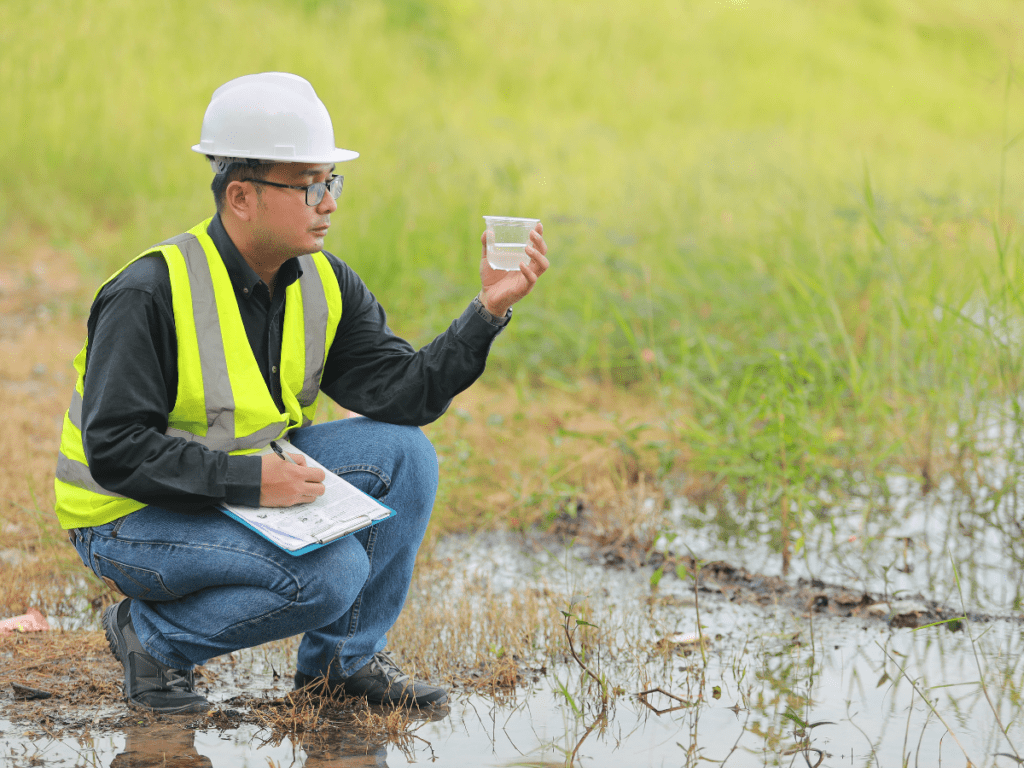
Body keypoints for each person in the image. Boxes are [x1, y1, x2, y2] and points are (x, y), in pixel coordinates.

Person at [53, 72, 548, 715]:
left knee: (405, 454)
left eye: (332, 182)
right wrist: (251, 482)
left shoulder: (323, 281)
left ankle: (343, 664)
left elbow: (404, 396)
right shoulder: (149, 292)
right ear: (241, 196)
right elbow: (116, 451)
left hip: (239, 485)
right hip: (126, 518)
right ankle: (151, 637)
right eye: (310, 185)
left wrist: (486, 312)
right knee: (332, 572)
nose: (329, 203)